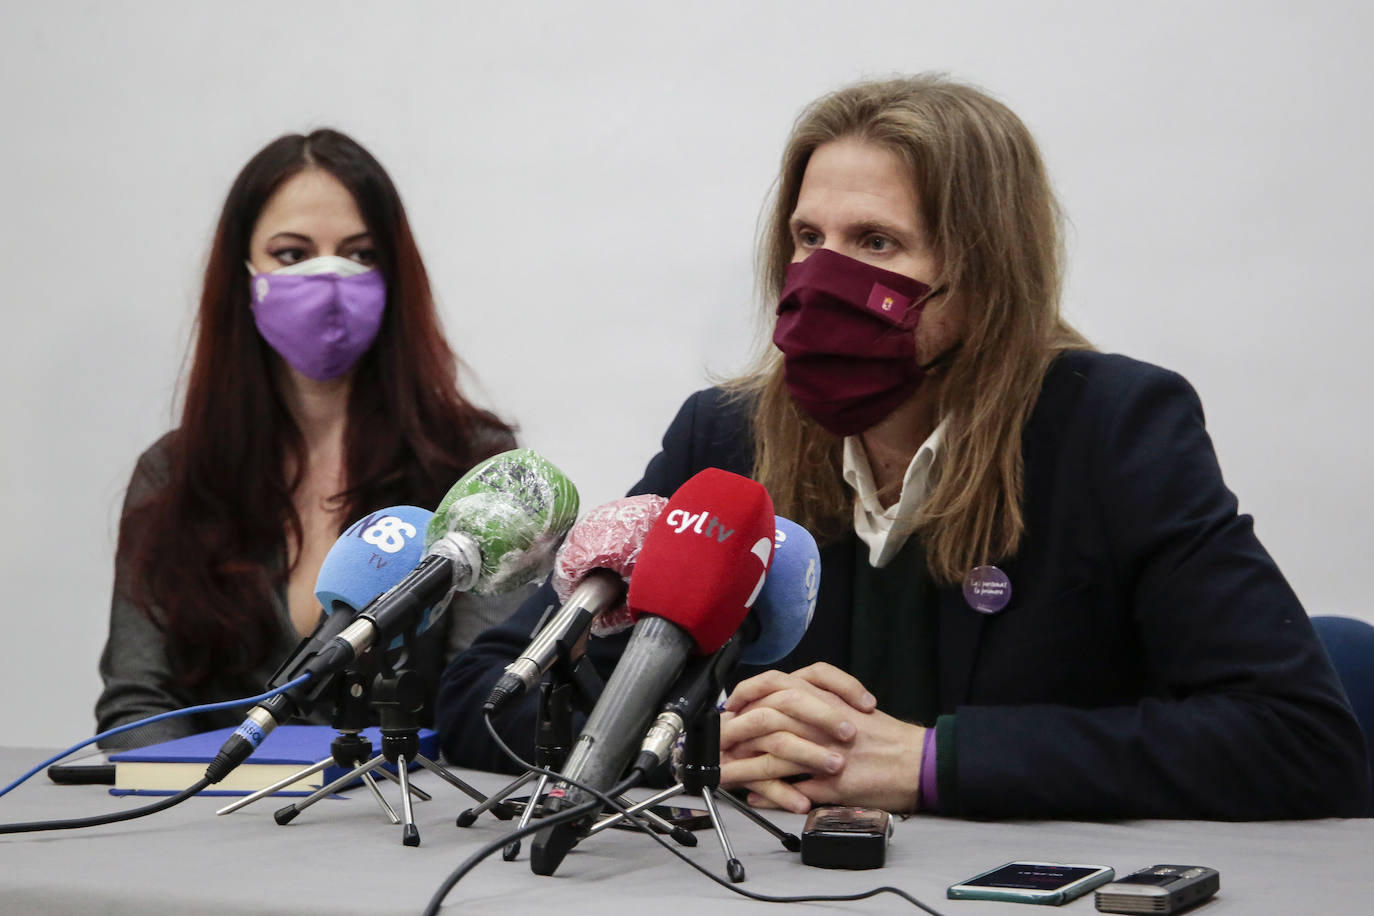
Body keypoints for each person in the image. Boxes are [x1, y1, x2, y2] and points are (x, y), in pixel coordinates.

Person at [435, 76, 1369, 819]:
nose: (823, 278)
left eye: (876, 242)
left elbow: (1295, 738)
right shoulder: (725, 438)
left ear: (985, 275)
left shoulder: (1113, 428)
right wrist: (696, 742)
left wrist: (932, 761)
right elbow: (487, 693)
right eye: (808, 239)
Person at [96, 130, 524, 748]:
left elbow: (482, 695)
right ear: (243, 273)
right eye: (293, 254)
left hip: (404, 822)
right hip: (212, 824)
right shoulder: (173, 474)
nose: (329, 279)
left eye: (360, 254)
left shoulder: (474, 465)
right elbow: (137, 704)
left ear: (395, 276)